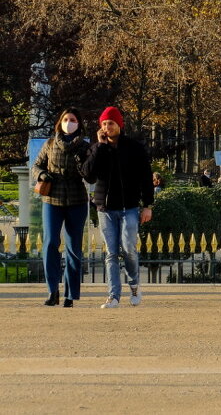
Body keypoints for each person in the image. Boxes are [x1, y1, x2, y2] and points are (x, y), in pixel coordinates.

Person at [81, 106, 154, 309]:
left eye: (110, 123)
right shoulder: (98, 148)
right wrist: (99, 147)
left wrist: (147, 205)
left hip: (129, 207)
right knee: (111, 253)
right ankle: (113, 295)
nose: (107, 127)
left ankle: (134, 284)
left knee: (128, 248)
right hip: (105, 208)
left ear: (119, 125)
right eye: (104, 124)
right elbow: (88, 175)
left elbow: (146, 178)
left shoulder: (134, 148)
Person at [32, 107, 90, 307]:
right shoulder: (49, 144)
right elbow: (36, 166)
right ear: (60, 122)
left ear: (79, 123)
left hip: (76, 201)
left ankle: (70, 295)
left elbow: (90, 173)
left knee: (74, 248)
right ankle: (52, 290)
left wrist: (83, 161)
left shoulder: (84, 146)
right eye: (66, 119)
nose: (69, 122)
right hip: (52, 200)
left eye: (73, 119)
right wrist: (41, 175)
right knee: (49, 244)